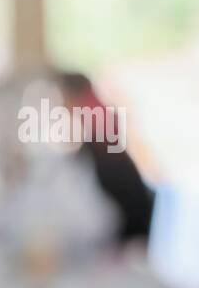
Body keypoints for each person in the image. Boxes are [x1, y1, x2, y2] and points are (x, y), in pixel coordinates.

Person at [57, 71, 154, 244]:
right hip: (129, 222)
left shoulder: (98, 136)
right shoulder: (97, 126)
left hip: (129, 233)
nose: (61, 105)